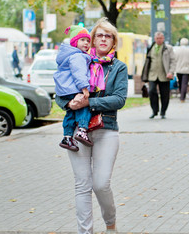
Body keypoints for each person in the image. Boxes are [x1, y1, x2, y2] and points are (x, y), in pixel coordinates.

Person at [55, 18, 128, 234]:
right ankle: (85, 232)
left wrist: (90, 102)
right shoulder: (78, 60)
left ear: (113, 42)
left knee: (101, 184)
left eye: (108, 36)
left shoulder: (118, 68)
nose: (103, 39)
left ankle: (110, 224)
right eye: (99, 35)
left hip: (106, 129)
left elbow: (119, 99)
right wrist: (68, 102)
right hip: (79, 130)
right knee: (82, 185)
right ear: (92, 39)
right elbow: (60, 90)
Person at [54, 25, 93, 151]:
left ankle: (67, 137)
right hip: (74, 88)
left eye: (88, 41)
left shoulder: (67, 55)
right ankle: (82, 130)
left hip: (65, 90)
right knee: (83, 107)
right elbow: (79, 73)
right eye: (82, 40)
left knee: (70, 113)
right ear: (75, 42)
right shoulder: (78, 56)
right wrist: (84, 88)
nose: (86, 43)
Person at [141, 32, 176, 119]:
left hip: (164, 75)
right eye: (157, 38)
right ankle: (154, 111)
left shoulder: (168, 48)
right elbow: (147, 61)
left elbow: (173, 61)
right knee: (152, 91)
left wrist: (171, 72)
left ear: (163, 39)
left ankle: (163, 111)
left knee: (165, 94)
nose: (159, 40)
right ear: (154, 39)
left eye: (160, 38)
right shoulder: (151, 47)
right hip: (152, 74)